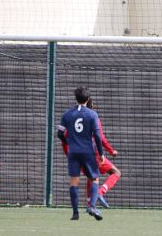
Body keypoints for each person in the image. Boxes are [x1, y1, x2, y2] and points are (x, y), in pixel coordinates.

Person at [59, 98, 121, 209]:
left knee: (90, 176)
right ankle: (100, 192)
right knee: (116, 172)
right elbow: (100, 137)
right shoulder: (93, 117)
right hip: (93, 154)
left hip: (77, 154)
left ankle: (89, 204)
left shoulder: (72, 118)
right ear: (89, 104)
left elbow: (64, 136)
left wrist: (68, 154)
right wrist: (111, 151)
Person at [58, 86, 105, 221]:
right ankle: (91, 206)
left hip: (73, 152)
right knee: (94, 178)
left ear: (76, 98)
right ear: (88, 99)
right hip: (88, 151)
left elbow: (59, 134)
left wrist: (69, 142)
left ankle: (75, 213)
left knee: (74, 182)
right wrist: (101, 153)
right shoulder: (92, 114)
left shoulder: (67, 114)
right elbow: (97, 135)